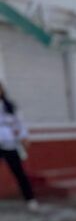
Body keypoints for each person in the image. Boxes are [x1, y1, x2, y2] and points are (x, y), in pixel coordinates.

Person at [0, 81, 38, 211]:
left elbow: (19, 123)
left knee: (19, 173)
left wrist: (24, 137)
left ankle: (30, 200)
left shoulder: (10, 106)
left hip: (10, 143)